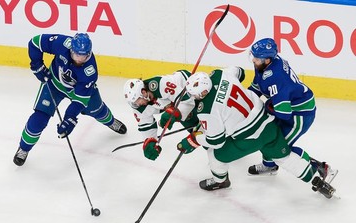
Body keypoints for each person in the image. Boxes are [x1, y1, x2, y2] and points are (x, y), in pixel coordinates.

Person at [176, 67, 337, 198]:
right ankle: (316, 179)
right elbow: (240, 72)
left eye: (194, 94)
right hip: (268, 124)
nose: (193, 97)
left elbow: (216, 141)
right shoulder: (219, 74)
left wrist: (193, 139)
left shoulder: (207, 111)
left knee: (215, 155)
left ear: (202, 93)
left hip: (248, 138)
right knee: (284, 157)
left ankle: (220, 181)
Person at [13, 33, 127, 166]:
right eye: (76, 54)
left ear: (89, 53)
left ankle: (111, 122)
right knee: (39, 118)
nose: (79, 59)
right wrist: (37, 64)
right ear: (71, 50)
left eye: (83, 56)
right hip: (53, 84)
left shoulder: (90, 71)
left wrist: (69, 118)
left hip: (78, 92)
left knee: (98, 110)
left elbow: (79, 101)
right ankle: (24, 148)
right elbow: (35, 43)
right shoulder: (62, 43)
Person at [247, 37, 338, 183]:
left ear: (267, 60)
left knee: (279, 146)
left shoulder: (277, 78)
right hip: (288, 105)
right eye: (254, 57)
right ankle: (269, 166)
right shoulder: (265, 65)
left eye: (257, 58)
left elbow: (284, 113)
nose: (253, 61)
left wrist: (269, 107)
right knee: (266, 136)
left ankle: (322, 168)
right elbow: (256, 87)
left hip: (300, 115)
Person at [123, 70, 199, 160]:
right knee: (198, 131)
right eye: (134, 103)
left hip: (191, 87)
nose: (137, 105)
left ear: (143, 93)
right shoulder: (139, 107)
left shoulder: (160, 85)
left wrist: (173, 112)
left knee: (207, 120)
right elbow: (146, 125)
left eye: (137, 101)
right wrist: (150, 142)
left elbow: (186, 101)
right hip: (178, 104)